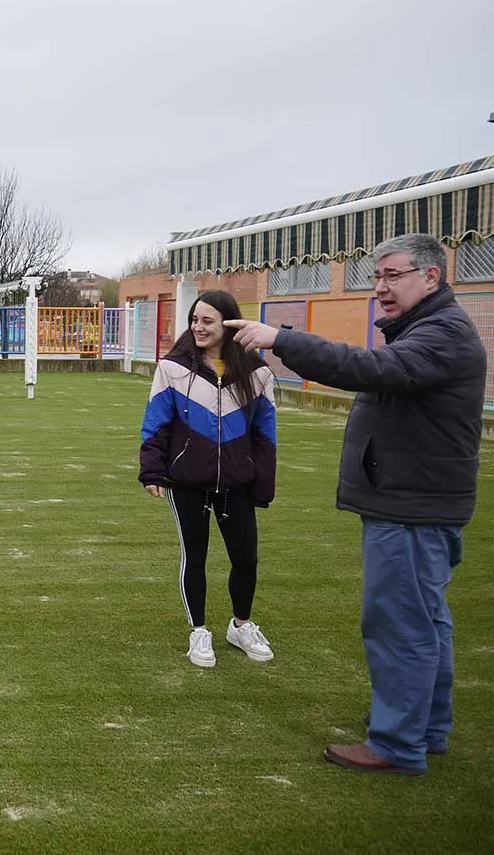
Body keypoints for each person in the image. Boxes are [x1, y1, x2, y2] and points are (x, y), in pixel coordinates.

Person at [226, 233, 486, 777]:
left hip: (412, 509)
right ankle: (426, 730)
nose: (381, 287)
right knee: (426, 622)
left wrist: (282, 339)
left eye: (393, 275)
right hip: (414, 502)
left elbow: (367, 369)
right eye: (377, 276)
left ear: (431, 277)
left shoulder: (442, 334)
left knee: (401, 625)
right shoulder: (431, 329)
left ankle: (396, 743)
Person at [139, 290, 278, 668]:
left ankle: (241, 625)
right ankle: (199, 631)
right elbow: (155, 424)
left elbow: (265, 432)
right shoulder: (172, 368)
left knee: (246, 557)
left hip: (237, 482)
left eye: (207, 321)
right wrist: (151, 469)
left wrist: (262, 480)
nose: (198, 328)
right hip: (186, 480)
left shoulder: (257, 372)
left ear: (228, 325)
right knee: (195, 555)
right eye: (194, 320)